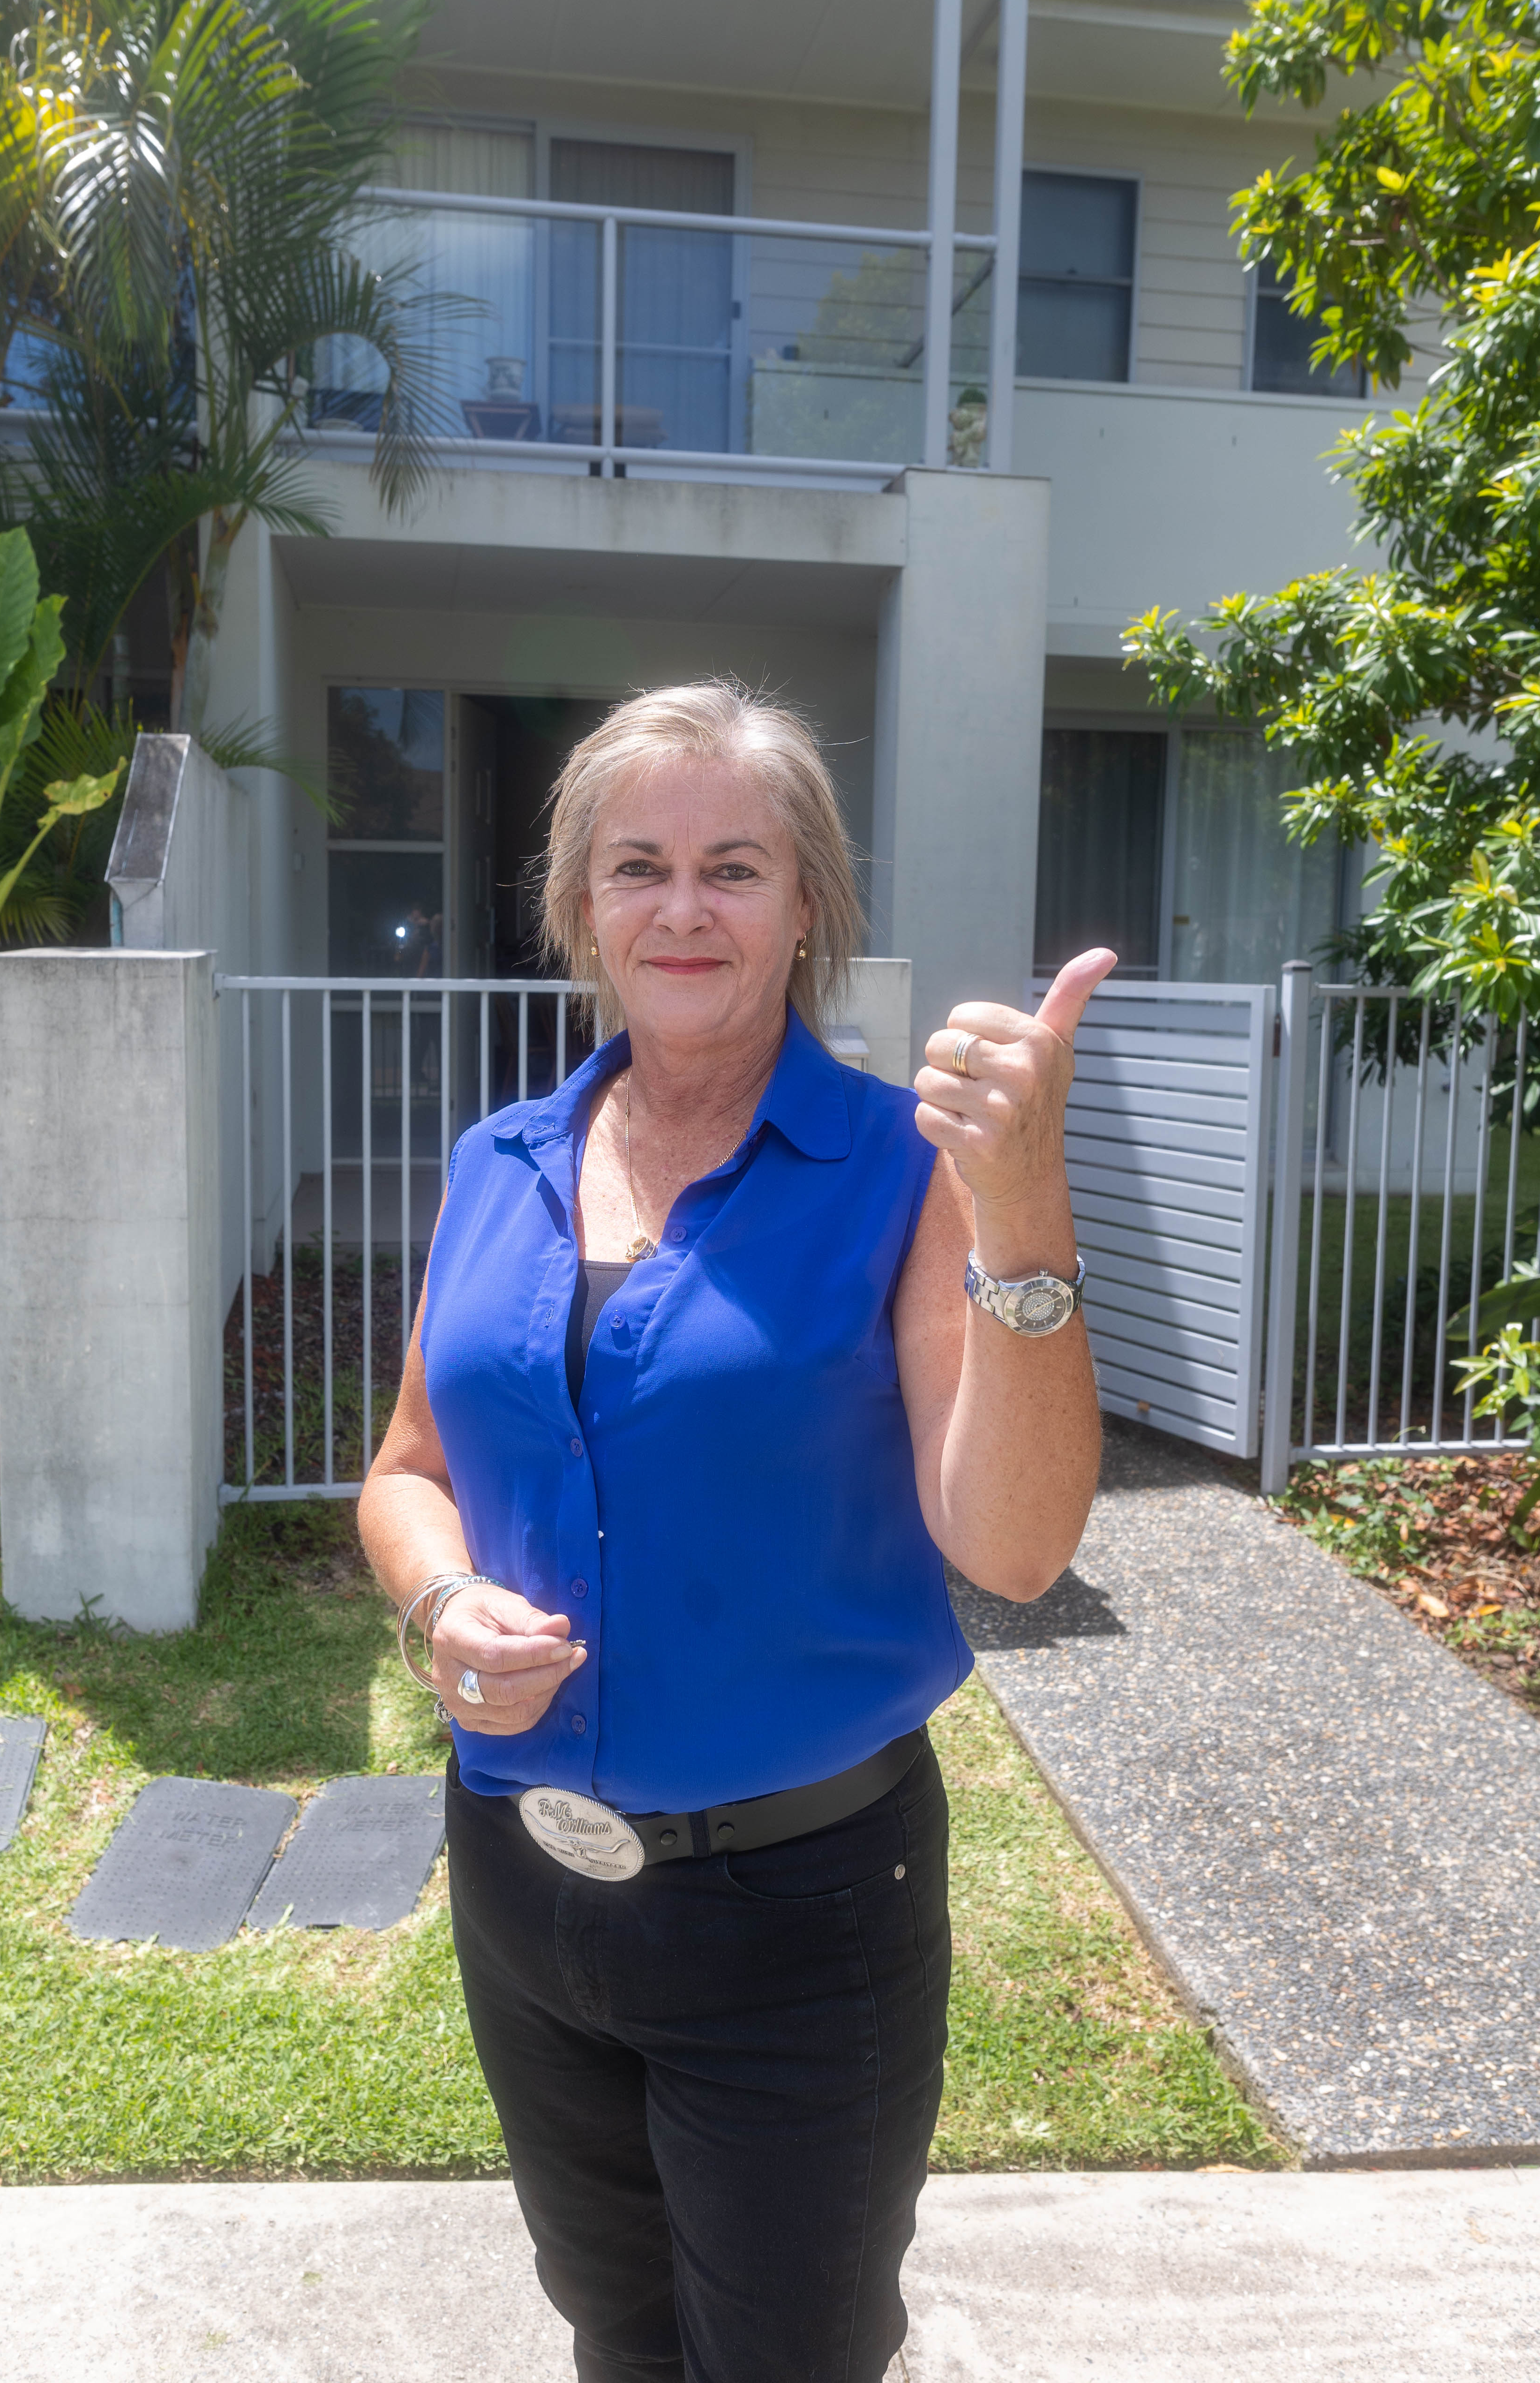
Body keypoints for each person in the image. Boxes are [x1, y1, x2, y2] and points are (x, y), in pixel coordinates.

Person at [358, 681, 1111, 2383]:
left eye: (735, 868)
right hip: (522, 1885)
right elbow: (406, 1470)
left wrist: (1024, 1205)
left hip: (800, 1912)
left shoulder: (904, 1171)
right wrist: (443, 1602)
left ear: (808, 907)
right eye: (639, 866)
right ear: (581, 907)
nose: (683, 909)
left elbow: (1014, 1548)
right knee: (615, 2337)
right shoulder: (499, 1163)